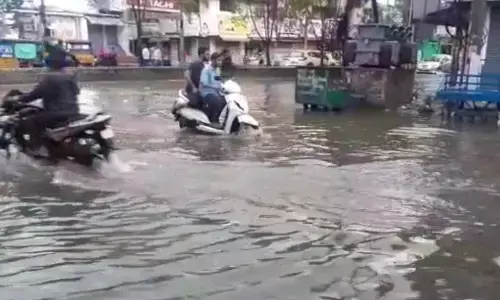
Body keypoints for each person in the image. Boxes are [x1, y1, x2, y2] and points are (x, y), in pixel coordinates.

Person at [11, 57, 80, 155]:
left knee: (33, 120)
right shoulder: (70, 75)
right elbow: (77, 92)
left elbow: (35, 94)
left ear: (51, 66)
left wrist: (19, 99)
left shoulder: (50, 78)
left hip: (58, 112)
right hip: (74, 110)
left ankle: (35, 149)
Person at [200, 52, 226, 123]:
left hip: (217, 93)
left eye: (221, 60)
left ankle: (221, 120)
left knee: (227, 102)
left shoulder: (217, 70)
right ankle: (211, 121)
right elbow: (204, 83)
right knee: (217, 103)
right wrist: (215, 87)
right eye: (219, 60)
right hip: (207, 93)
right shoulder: (207, 70)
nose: (220, 62)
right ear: (213, 60)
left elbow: (219, 80)